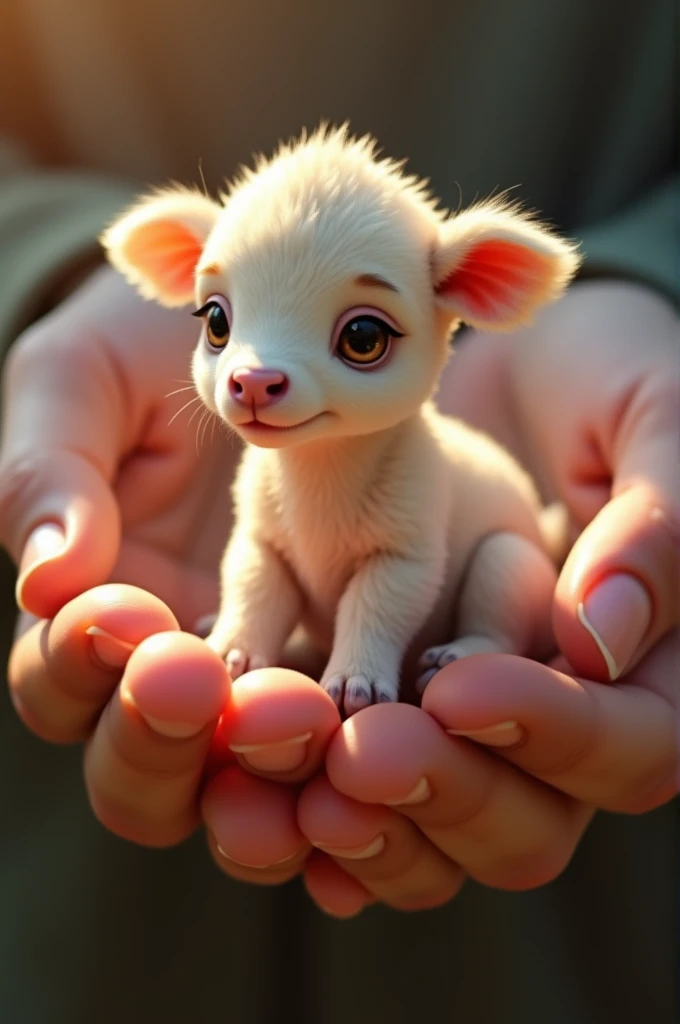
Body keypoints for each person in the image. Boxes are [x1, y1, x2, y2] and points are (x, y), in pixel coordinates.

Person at [0, 1, 677, 1022]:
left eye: (359, 336)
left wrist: (660, 276)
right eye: (220, 321)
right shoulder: (262, 468)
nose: (253, 374)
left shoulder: (422, 469)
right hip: (97, 934)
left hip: (577, 945)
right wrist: (33, 264)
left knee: (497, 558)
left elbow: (402, 561)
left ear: (463, 300)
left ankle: (481, 643)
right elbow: (259, 555)